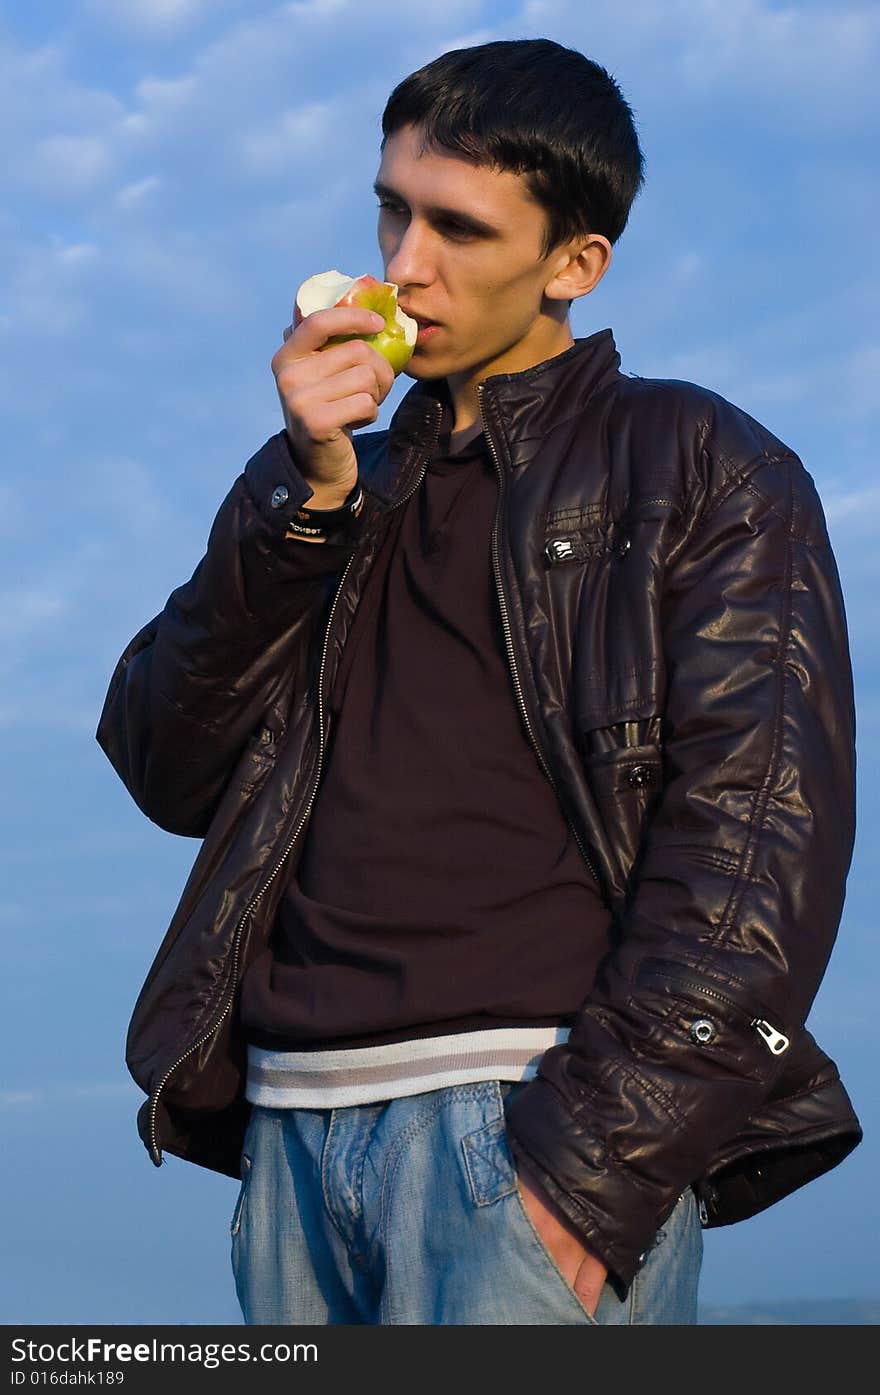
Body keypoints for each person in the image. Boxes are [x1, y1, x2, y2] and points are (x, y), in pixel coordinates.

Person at [97, 38, 862, 1326]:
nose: (403, 264)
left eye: (459, 227)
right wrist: (304, 494)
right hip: (291, 1141)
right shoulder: (328, 483)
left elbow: (756, 865)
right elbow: (165, 760)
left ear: (574, 264)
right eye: (392, 207)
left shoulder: (699, 462)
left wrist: (591, 1175)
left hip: (527, 1132)